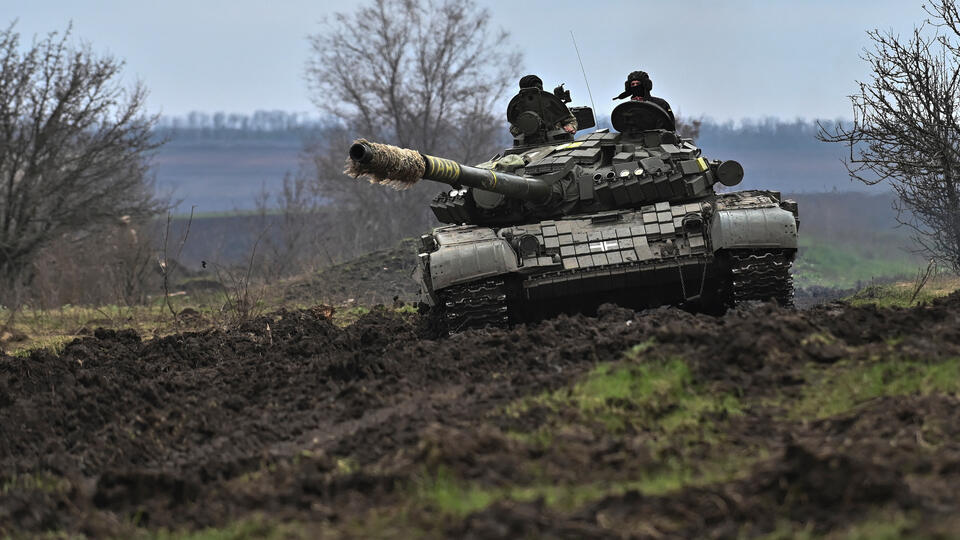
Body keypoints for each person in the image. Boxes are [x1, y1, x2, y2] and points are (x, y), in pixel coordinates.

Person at [510, 74, 578, 136]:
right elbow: (514, 129)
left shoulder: (552, 104)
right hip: (530, 145)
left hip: (557, 141)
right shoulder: (519, 108)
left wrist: (570, 127)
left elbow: (570, 120)